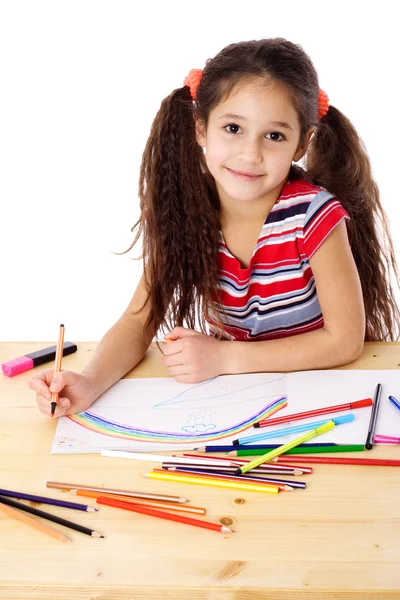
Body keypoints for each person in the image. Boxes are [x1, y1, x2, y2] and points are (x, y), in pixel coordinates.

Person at [29, 37, 400, 418]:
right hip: (234, 399)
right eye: (233, 128)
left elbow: (344, 341)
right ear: (201, 128)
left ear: (302, 144)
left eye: (274, 136)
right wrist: (88, 384)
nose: (250, 153)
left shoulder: (312, 216)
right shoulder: (189, 213)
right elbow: (137, 323)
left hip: (318, 395)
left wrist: (223, 356)